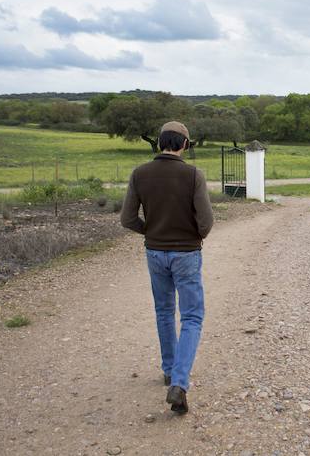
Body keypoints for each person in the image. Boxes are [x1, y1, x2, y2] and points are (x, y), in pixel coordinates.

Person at [120, 121, 214, 414]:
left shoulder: (139, 173)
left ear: (160, 142)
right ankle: (179, 383)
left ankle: (169, 370)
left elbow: (127, 218)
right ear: (184, 144)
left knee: (164, 311)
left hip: (155, 252)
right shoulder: (193, 175)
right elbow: (206, 222)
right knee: (192, 317)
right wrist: (193, 235)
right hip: (186, 254)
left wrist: (151, 231)